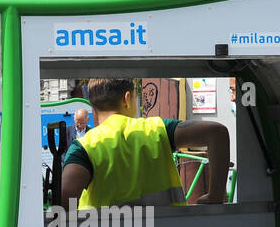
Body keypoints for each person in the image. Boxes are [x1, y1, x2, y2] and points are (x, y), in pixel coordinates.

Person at [59, 78, 230, 210]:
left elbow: (65, 199)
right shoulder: (157, 129)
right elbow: (217, 133)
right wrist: (215, 195)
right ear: (127, 99)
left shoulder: (84, 146)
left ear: (93, 107)